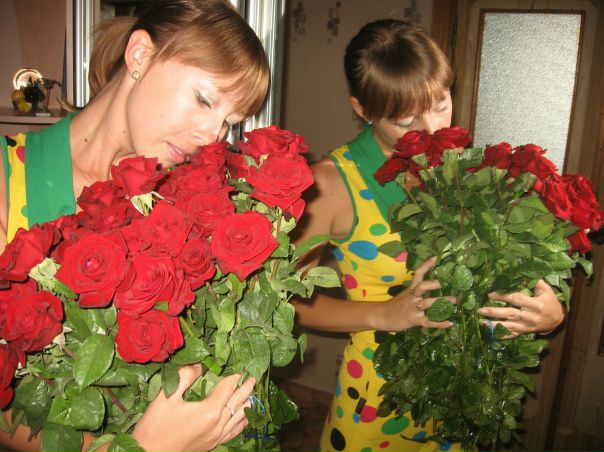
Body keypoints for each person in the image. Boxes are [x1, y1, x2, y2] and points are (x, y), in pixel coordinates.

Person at [0, 0, 269, 451]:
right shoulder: (8, 180)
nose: (211, 136)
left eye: (228, 122)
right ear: (140, 54)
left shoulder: (184, 201)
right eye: (204, 99)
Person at [293, 19, 565, 452]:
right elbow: (291, 303)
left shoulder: (466, 169)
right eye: (405, 120)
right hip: (378, 396)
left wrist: (545, 311)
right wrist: (385, 314)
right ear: (362, 109)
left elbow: (497, 274)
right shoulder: (329, 184)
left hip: (461, 394)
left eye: (440, 105)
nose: (432, 130)